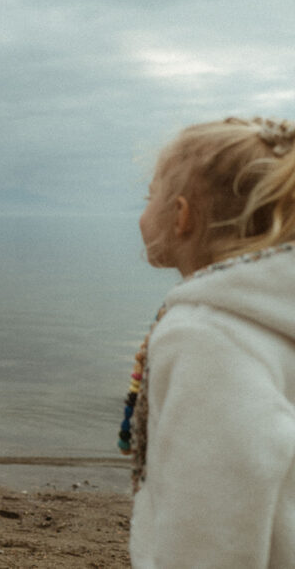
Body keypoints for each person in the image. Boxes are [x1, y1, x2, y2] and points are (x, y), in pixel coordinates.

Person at [123, 116, 295, 566]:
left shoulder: (205, 335)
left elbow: (212, 519)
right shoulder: (274, 317)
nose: (143, 209)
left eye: (149, 197)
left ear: (181, 216)